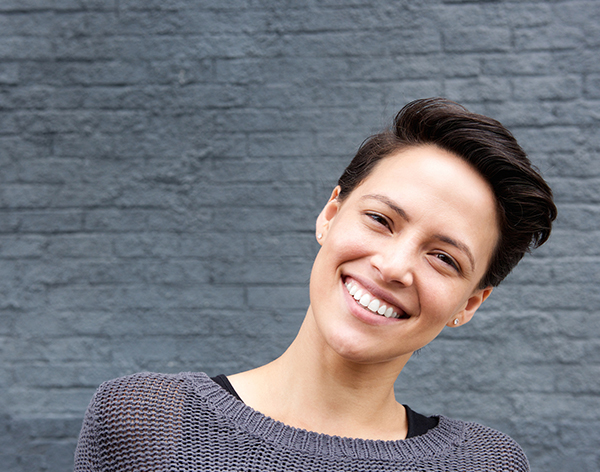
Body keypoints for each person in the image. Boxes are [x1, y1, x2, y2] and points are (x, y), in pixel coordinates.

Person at [74, 98, 556, 471]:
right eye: (380, 220)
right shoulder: (146, 423)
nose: (393, 267)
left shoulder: (483, 463)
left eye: (444, 258)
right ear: (330, 215)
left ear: (469, 304)